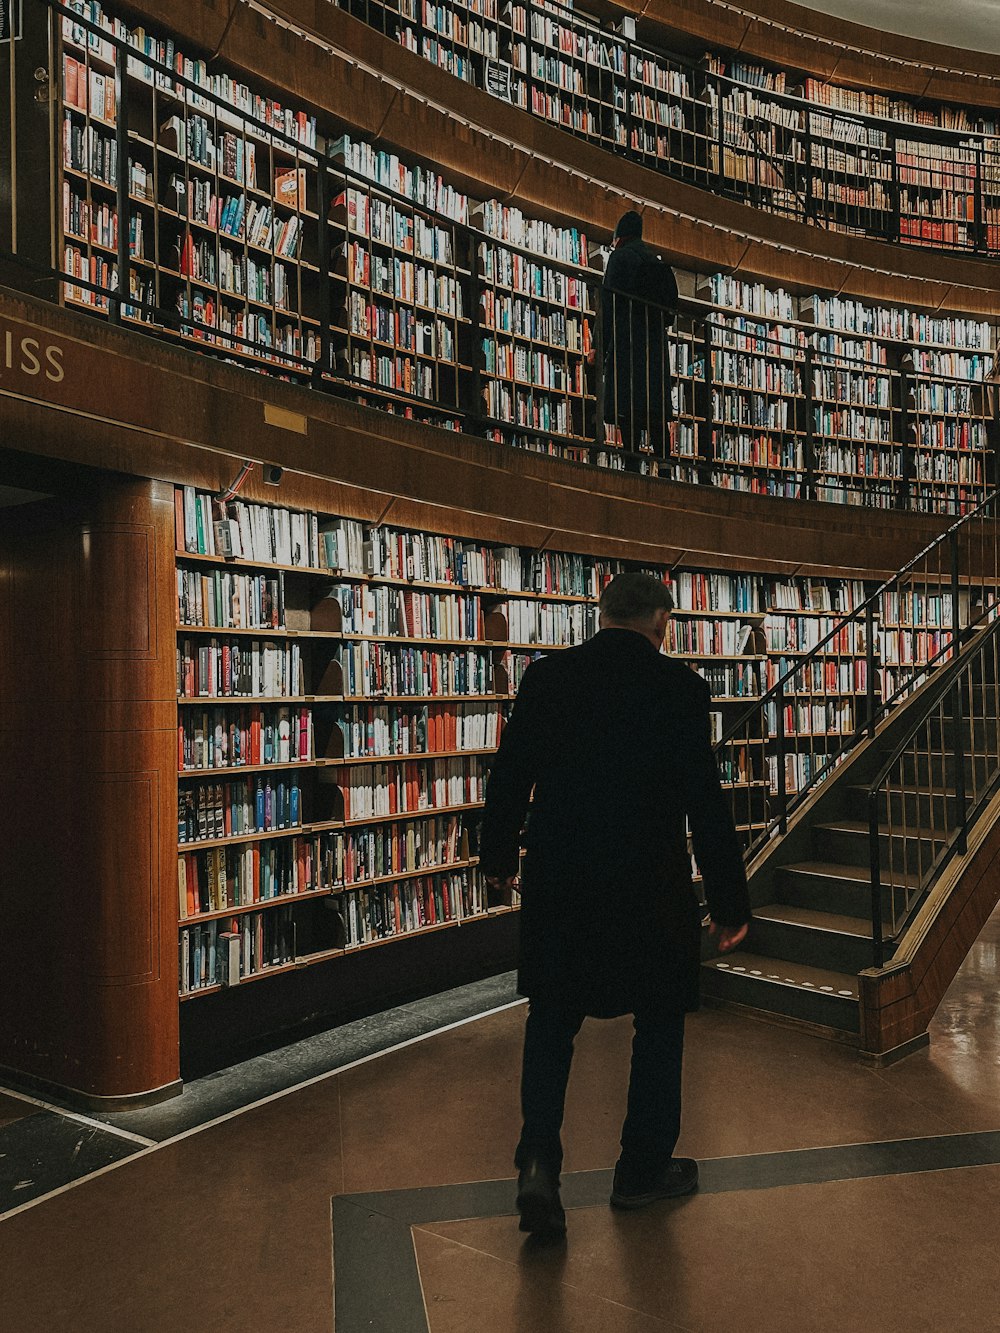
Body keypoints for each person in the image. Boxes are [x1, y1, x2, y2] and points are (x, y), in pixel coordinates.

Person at [478, 572, 751, 1237]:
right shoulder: (681, 689)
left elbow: (510, 777)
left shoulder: (546, 679)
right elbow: (705, 804)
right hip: (647, 886)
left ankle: (540, 1161)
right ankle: (640, 1170)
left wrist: (495, 860)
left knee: (551, 1022)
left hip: (561, 883)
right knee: (658, 1022)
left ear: (602, 614)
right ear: (661, 621)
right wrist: (728, 898)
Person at [601, 210, 679, 460]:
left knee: (628, 410)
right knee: (655, 414)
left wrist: (600, 348)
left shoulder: (619, 258)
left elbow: (608, 303)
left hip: (627, 345)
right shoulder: (656, 261)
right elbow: (670, 311)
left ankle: (632, 464)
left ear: (619, 237)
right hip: (654, 350)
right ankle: (665, 469)